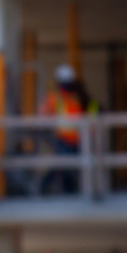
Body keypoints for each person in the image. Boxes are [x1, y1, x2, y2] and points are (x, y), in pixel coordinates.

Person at [40, 62, 92, 194]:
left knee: (69, 167)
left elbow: (88, 111)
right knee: (64, 166)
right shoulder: (56, 98)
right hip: (64, 139)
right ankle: (45, 188)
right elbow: (43, 113)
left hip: (77, 139)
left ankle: (51, 188)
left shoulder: (78, 96)